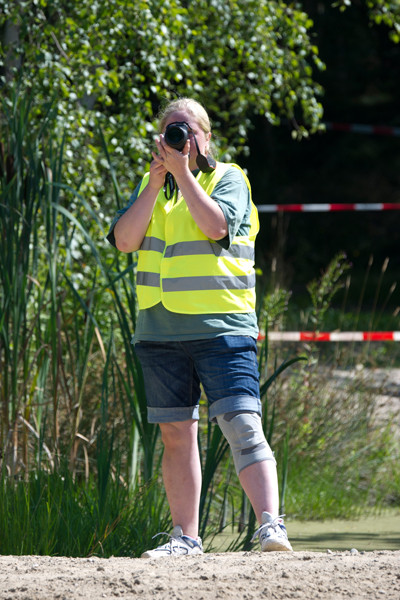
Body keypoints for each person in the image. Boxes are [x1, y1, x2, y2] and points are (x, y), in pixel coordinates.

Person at [107, 97, 293, 557]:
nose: (178, 139)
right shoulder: (150, 184)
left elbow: (216, 227)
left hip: (221, 326)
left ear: (205, 137)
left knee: (242, 424)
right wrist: (155, 183)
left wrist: (185, 173)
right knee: (175, 434)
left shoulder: (229, 178)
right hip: (159, 329)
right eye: (170, 130)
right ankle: (185, 538)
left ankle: (271, 527)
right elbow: (125, 241)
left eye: (186, 130)